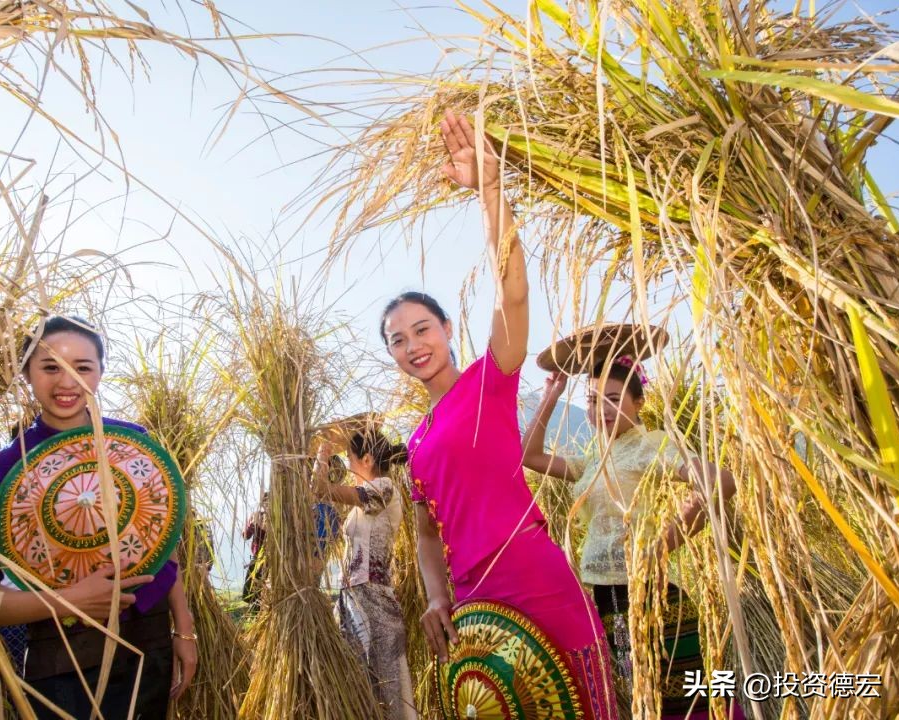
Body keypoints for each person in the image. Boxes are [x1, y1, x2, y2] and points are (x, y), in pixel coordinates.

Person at [383, 111, 618, 719]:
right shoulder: (416, 440)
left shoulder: (489, 381)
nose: (412, 346)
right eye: (397, 340)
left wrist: (490, 191)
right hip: (473, 603)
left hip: (532, 571)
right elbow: (426, 530)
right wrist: (437, 598)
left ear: (447, 328)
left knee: (583, 703)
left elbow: (512, 290)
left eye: (421, 328)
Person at [0, 316, 198, 718]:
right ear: (26, 372)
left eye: (83, 367)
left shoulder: (134, 444)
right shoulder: (1, 471)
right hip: (64, 659)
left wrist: (184, 627)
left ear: (101, 372)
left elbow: (164, 544)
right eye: (50, 366)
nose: (67, 382)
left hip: (151, 640)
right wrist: (67, 601)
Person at [522, 358, 744, 720]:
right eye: (593, 401)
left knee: (691, 699)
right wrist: (551, 394)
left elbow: (721, 482)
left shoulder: (651, 446)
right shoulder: (595, 456)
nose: (600, 410)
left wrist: (663, 545)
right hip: (609, 597)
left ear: (639, 402)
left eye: (613, 398)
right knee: (647, 697)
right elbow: (530, 456)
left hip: (657, 594)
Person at [312, 431, 416, 720]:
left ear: (367, 459)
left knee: (390, 694)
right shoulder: (365, 500)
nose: (346, 464)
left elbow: (319, 489)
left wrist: (323, 451)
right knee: (362, 692)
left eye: (349, 459)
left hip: (375, 602)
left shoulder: (383, 488)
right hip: (353, 600)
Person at [241, 492, 268, 608]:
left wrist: (261, 525)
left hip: (269, 559)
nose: (267, 505)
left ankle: (260, 611)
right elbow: (245, 535)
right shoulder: (257, 515)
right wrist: (251, 524)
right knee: (250, 591)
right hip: (256, 557)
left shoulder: (278, 519)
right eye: (265, 502)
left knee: (262, 589)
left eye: (269, 502)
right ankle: (254, 613)